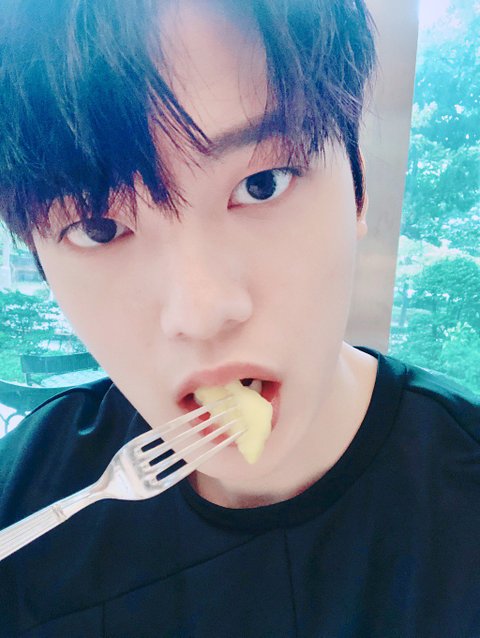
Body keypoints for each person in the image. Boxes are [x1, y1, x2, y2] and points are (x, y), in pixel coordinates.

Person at [0, 0, 479, 636]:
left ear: (358, 188)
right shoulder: (25, 498)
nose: (200, 313)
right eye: (98, 227)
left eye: (263, 183)